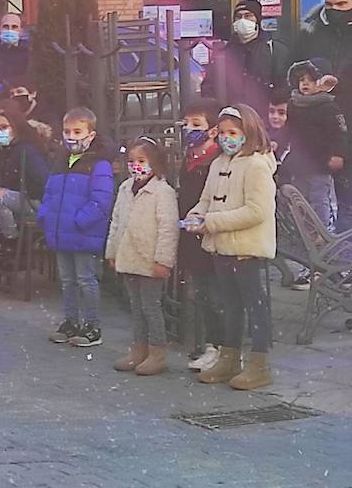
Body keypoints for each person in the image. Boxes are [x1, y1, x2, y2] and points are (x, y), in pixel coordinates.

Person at [186, 104, 278, 390]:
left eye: (233, 132)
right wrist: (196, 214)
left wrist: (211, 221)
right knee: (230, 305)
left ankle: (259, 363)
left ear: (247, 133)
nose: (227, 138)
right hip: (222, 248)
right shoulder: (218, 164)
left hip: (247, 249)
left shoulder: (256, 165)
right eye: (223, 132)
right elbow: (207, 199)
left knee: (255, 306)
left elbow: (256, 211)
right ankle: (229, 356)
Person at [40, 107, 115, 348]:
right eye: (67, 131)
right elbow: (50, 193)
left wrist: (79, 221)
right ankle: (71, 321)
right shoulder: (60, 161)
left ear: (90, 134)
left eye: (77, 131)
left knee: (85, 279)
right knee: (68, 280)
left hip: (82, 232)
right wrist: (46, 216)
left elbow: (102, 200)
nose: (71, 136)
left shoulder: (99, 164)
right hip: (62, 231)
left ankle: (92, 326)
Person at [106, 137, 179, 376]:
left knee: (151, 307)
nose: (135, 165)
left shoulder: (162, 192)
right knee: (135, 307)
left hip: (150, 258)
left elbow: (168, 228)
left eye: (141, 160)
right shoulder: (126, 188)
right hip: (129, 257)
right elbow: (116, 221)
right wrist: (113, 251)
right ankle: (139, 349)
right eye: (132, 161)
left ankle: (157, 352)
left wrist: (163, 260)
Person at [294, 0, 352, 232]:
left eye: (342, 4)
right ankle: (335, 259)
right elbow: (296, 70)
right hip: (321, 126)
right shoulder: (311, 32)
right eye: (330, 4)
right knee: (323, 198)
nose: (335, 10)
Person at [283, 58, 348, 267]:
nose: (305, 84)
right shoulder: (294, 105)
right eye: (301, 80)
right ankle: (310, 237)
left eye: (310, 80)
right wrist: (276, 142)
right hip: (300, 165)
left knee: (321, 201)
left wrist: (338, 155)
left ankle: (326, 239)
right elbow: (288, 130)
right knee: (301, 202)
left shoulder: (328, 106)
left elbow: (340, 134)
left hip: (321, 165)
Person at [177, 99, 225, 372]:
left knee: (215, 294)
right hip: (190, 231)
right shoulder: (190, 158)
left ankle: (218, 345)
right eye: (186, 124)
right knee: (202, 292)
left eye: (196, 125)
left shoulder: (216, 160)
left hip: (208, 231)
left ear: (213, 130)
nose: (189, 130)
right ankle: (207, 343)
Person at [201, 0, 287, 110]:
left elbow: (283, 86)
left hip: (263, 118)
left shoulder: (274, 49)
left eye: (248, 16)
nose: (242, 21)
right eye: (238, 16)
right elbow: (209, 86)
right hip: (231, 117)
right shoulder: (224, 51)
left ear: (257, 19)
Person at [0, 104, 49, 257]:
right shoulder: (7, 150)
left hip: (35, 202)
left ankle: (12, 241)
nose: (0, 132)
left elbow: (45, 182)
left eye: (4, 127)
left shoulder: (27, 150)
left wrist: (19, 191)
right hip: (20, 198)